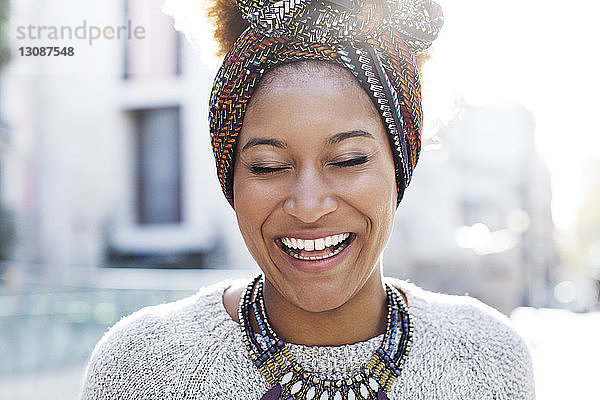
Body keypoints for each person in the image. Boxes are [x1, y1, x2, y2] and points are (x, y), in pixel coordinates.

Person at [81, 0, 535, 398]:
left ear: (400, 167)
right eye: (268, 167)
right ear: (230, 182)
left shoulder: (490, 357)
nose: (308, 204)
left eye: (348, 159)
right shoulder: (139, 369)